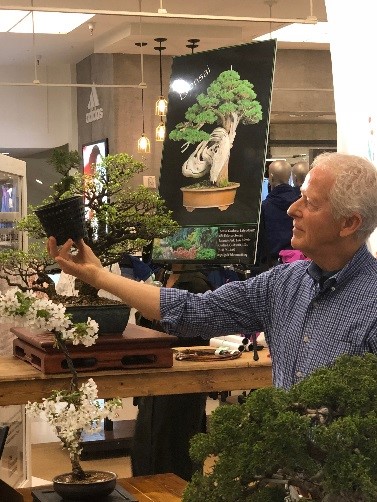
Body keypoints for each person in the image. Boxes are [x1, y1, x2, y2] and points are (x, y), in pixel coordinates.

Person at [47, 152, 377, 390]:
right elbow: (193, 311)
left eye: (310, 203)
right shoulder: (283, 284)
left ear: (349, 223)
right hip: (284, 477)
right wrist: (98, 275)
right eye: (299, 196)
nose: (293, 208)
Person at [259, 159, 299, 265]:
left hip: (273, 265)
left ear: (271, 177)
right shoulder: (301, 204)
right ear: (290, 177)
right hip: (300, 262)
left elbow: (261, 245)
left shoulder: (264, 208)